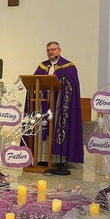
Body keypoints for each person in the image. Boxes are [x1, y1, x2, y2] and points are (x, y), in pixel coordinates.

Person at [33, 41, 84, 173]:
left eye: (53, 49)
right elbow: (34, 81)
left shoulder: (68, 67)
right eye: (49, 50)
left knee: (58, 127)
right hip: (44, 103)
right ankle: (43, 157)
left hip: (60, 104)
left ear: (59, 50)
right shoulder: (42, 66)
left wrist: (61, 82)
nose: (51, 52)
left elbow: (72, 85)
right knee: (43, 126)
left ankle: (58, 159)